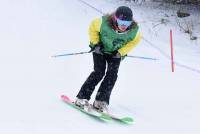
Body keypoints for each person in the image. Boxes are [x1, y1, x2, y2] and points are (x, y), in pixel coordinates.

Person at [75, 6, 141, 113]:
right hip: (99, 50)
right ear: (115, 18)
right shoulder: (102, 22)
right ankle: (82, 98)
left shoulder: (135, 31)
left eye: (127, 23)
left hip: (115, 54)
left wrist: (121, 52)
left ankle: (100, 101)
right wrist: (96, 44)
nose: (124, 26)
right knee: (99, 72)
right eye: (121, 22)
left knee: (112, 75)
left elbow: (133, 43)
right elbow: (92, 28)